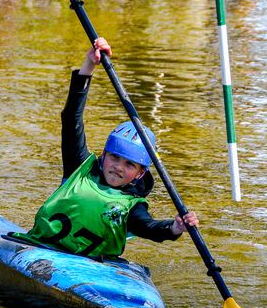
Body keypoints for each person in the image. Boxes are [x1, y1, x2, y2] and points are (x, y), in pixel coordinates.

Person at [15, 37, 199, 259]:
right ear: (103, 155)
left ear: (140, 173)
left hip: (91, 268)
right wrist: (89, 65)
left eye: (129, 164)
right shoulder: (79, 169)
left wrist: (175, 228)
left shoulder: (132, 207)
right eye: (114, 157)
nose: (118, 167)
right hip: (40, 249)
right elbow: (71, 117)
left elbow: (149, 227)